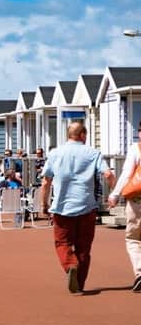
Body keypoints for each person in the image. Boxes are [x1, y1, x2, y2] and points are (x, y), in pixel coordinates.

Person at [41, 122, 115, 294]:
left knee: (62, 242)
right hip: (86, 206)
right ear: (82, 135)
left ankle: (70, 265)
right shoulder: (93, 153)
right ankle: (79, 284)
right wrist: (114, 194)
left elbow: (46, 182)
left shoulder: (55, 153)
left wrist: (44, 204)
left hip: (62, 207)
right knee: (84, 247)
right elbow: (108, 174)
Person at [108, 122, 141, 292]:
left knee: (133, 238)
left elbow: (127, 173)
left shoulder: (136, 149)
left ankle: (140, 272)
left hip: (137, 200)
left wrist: (115, 194)